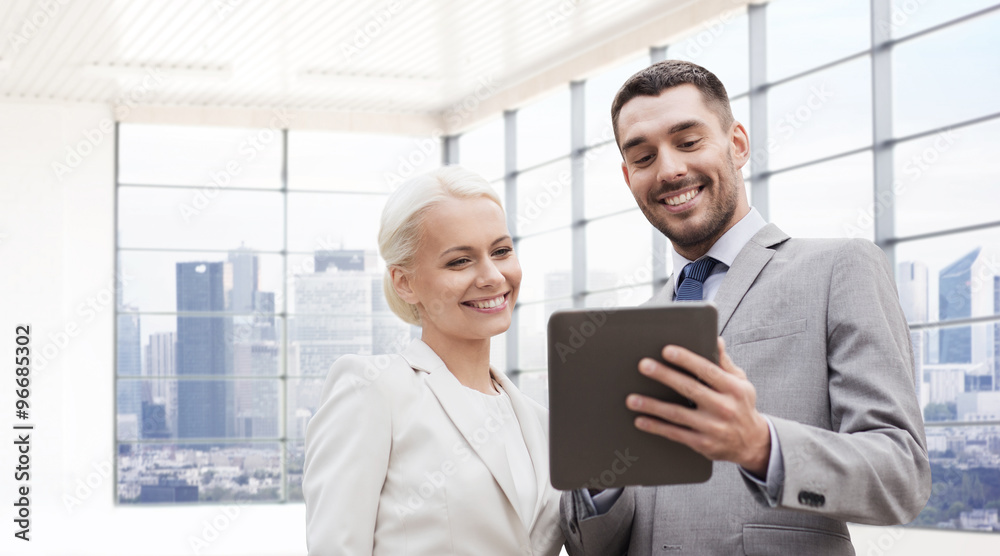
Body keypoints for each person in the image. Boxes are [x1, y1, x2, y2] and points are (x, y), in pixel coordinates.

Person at [559, 60, 931, 555]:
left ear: (737, 144)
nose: (669, 169)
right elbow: (597, 545)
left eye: (688, 142)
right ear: (629, 177)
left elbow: (901, 475)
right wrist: (598, 479)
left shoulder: (839, 268)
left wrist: (760, 444)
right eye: (644, 157)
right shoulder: (624, 333)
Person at [303, 166, 565, 555]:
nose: (492, 276)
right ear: (404, 283)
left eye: (501, 251)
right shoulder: (373, 390)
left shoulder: (540, 423)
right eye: (460, 261)